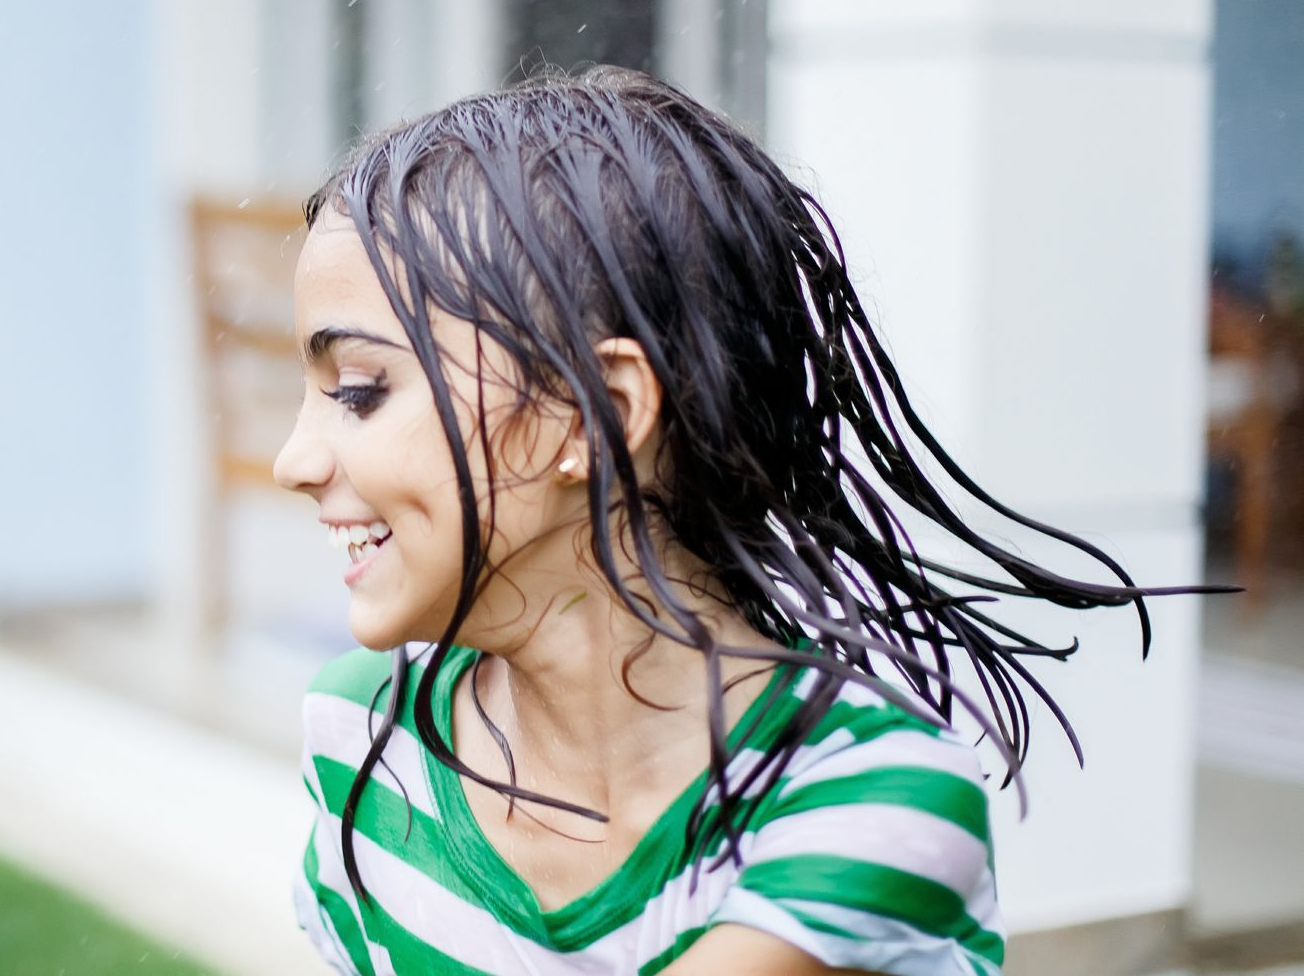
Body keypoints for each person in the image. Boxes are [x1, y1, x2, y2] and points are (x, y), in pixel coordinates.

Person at [272, 67, 1199, 976]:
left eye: (360, 390)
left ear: (593, 413)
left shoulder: (860, 801)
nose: (294, 461)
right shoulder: (364, 733)